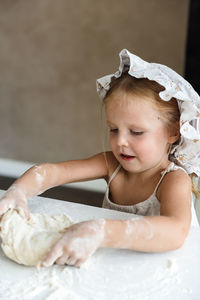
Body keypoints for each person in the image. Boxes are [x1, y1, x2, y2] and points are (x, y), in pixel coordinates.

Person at [0, 49, 200, 268]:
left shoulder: (172, 179)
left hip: (167, 269)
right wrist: (18, 191)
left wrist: (100, 231)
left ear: (175, 132)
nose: (121, 141)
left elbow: (175, 231)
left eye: (136, 132)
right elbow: (51, 172)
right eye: (113, 129)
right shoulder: (111, 164)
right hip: (119, 263)